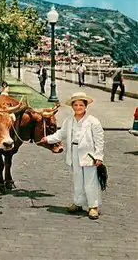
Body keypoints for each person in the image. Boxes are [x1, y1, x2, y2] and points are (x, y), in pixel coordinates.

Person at [39, 92, 104, 220]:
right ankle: (78, 203)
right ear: (72, 106)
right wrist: (47, 139)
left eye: (81, 105)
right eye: (75, 105)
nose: (78, 107)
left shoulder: (93, 122)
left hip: (89, 154)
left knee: (90, 181)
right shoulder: (69, 121)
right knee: (77, 179)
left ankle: (93, 206)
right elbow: (60, 134)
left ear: (85, 106)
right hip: (74, 152)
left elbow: (99, 139)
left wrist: (99, 156)